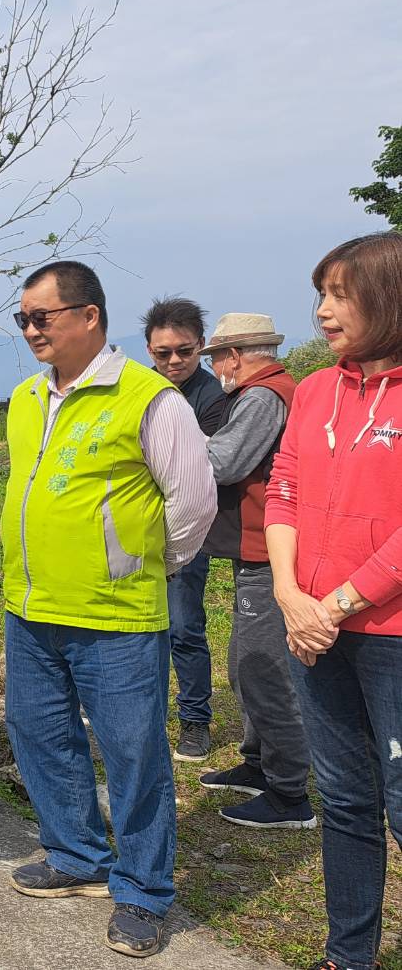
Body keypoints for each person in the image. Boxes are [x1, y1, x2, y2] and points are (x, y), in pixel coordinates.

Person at [1, 262, 215, 959]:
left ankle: (143, 889)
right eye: (23, 319)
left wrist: (141, 562)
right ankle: (75, 854)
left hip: (115, 616)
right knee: (40, 733)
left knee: (133, 753)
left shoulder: (149, 398)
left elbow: (192, 503)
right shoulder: (27, 396)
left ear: (89, 316)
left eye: (42, 317)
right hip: (30, 606)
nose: (31, 330)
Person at [266, 233, 402, 970]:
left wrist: (335, 604)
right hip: (312, 626)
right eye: (320, 293)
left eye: (340, 294)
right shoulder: (317, 389)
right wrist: (290, 595)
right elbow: (283, 487)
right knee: (346, 800)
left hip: (388, 634)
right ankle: (348, 957)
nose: (322, 310)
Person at [195, 314, 313, 830]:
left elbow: (223, 461)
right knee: (245, 660)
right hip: (258, 551)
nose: (215, 367)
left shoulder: (262, 397)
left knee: (263, 668)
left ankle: (289, 791)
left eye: (216, 357)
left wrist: (173, 445)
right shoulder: (273, 391)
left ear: (235, 356)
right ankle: (259, 763)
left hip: (268, 552)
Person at [143, 297, 227, 762]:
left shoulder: (212, 398)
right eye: (163, 352)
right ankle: (142, 710)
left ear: (201, 346)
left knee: (183, 627)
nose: (174, 360)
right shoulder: (139, 391)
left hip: (185, 533)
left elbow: (201, 472)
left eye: (184, 350)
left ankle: (195, 718)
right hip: (134, 530)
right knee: (135, 627)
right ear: (149, 351)